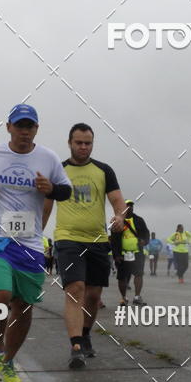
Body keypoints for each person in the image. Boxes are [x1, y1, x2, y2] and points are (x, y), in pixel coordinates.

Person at [0, 103, 72, 382]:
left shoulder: (48, 158)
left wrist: (51, 189)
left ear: (36, 129)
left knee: (23, 307)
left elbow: (65, 190)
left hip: (30, 243)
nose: (24, 131)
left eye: (30, 126)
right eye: (20, 125)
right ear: (9, 127)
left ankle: (9, 362)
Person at [43, 122, 125, 368]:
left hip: (98, 240)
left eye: (87, 143)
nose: (83, 147)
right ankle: (75, 345)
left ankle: (86, 333)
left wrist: (120, 216)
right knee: (75, 288)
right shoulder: (58, 171)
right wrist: (35, 235)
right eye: (78, 142)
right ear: (69, 143)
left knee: (93, 295)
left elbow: (118, 201)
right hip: (67, 238)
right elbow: (46, 207)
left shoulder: (103, 170)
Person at [111, 200, 150, 306]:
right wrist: (116, 255)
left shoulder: (139, 220)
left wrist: (144, 241)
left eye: (131, 206)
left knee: (138, 274)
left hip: (137, 253)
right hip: (122, 255)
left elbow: (146, 233)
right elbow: (113, 241)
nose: (130, 208)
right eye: (127, 206)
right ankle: (123, 298)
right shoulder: (118, 221)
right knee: (122, 277)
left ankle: (137, 297)